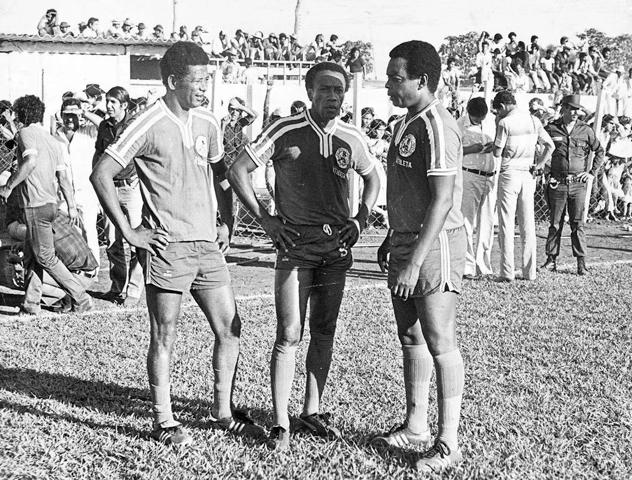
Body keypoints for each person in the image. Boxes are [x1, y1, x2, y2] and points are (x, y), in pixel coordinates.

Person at [91, 41, 263, 446]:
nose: (206, 88)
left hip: (207, 247)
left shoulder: (208, 121)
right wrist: (131, 233)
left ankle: (223, 413)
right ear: (172, 81)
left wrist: (226, 219)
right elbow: (102, 173)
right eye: (198, 81)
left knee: (230, 327)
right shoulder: (147, 121)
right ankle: (164, 420)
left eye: (208, 79)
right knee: (164, 333)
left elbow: (221, 173)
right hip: (168, 248)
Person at [227, 61, 380, 451]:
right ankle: (280, 421)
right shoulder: (285, 129)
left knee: (324, 331)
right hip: (296, 247)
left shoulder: (352, 136)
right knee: (289, 333)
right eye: (325, 89)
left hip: (336, 249)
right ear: (309, 92)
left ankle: (311, 411)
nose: (333, 97)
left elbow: (373, 176)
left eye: (339, 90)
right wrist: (267, 221)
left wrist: (361, 218)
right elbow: (238, 169)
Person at [372, 40, 466, 474]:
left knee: (439, 340)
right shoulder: (406, 123)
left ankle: (449, 442)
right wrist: (394, 237)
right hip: (406, 241)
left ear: (421, 81)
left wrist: (413, 261)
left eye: (396, 77)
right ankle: (416, 427)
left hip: (435, 245)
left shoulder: (438, 126)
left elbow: (442, 201)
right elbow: (407, 192)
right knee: (410, 337)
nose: (389, 85)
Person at [0, 95, 93, 314]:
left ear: (22, 114)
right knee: (33, 256)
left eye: (16, 114)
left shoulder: (25, 133)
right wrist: (70, 205)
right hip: (52, 204)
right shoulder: (52, 140)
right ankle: (30, 305)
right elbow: (63, 178)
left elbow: (30, 162)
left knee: (45, 257)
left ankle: (81, 298)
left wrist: (9, 186)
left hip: (35, 204)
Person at [492, 90, 554, 281]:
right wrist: (540, 164)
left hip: (509, 173)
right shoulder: (533, 120)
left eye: (498, 110)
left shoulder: (504, 123)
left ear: (502, 107)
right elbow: (549, 145)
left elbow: (496, 151)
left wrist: (496, 128)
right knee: (528, 224)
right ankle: (529, 271)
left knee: (506, 223)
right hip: (529, 173)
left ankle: (507, 272)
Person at [541, 95, 604, 275]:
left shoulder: (585, 130)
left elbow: (599, 150)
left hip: (578, 184)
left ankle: (581, 263)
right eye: (572, 109)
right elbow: (539, 147)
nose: (576, 113)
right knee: (555, 223)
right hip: (558, 183)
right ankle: (551, 260)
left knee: (577, 224)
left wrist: (591, 173)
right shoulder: (551, 128)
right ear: (564, 109)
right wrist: (545, 168)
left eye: (578, 109)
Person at [93, 86, 144, 305]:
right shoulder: (104, 126)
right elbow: (98, 153)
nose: (109, 106)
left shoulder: (134, 125)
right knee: (113, 240)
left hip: (131, 187)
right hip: (110, 187)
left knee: (137, 239)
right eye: (107, 101)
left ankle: (133, 290)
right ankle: (117, 287)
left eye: (114, 102)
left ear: (124, 105)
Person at [54, 98, 102, 270]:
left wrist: (83, 113)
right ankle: (75, 272)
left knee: (90, 232)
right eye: (66, 115)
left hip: (87, 193)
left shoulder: (88, 131)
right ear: (61, 115)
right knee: (70, 235)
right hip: (64, 195)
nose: (69, 120)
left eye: (73, 116)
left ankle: (93, 271)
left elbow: (103, 124)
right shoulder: (55, 136)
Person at [457, 97, 498, 278]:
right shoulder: (459, 125)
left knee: (487, 222)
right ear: (468, 111)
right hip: (469, 174)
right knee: (466, 221)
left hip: (489, 176)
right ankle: (467, 266)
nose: (479, 121)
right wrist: (470, 148)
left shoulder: (490, 124)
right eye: (476, 117)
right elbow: (452, 150)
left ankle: (483, 264)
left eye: (482, 117)